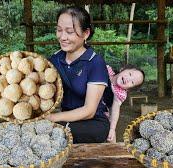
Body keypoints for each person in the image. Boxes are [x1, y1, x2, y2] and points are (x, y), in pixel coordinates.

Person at [46, 6, 110, 143]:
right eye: (59, 30)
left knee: (54, 131)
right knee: (46, 130)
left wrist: (52, 118)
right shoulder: (55, 59)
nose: (62, 37)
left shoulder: (95, 62)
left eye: (69, 32)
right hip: (64, 118)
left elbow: (89, 110)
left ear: (86, 33)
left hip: (92, 123)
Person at [104, 64, 145, 143]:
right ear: (122, 69)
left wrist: (112, 129)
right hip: (88, 99)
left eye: (132, 82)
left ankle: (114, 149)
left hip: (102, 110)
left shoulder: (120, 93)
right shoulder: (106, 70)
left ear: (128, 89)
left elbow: (115, 109)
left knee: (111, 132)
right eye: (130, 74)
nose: (128, 79)